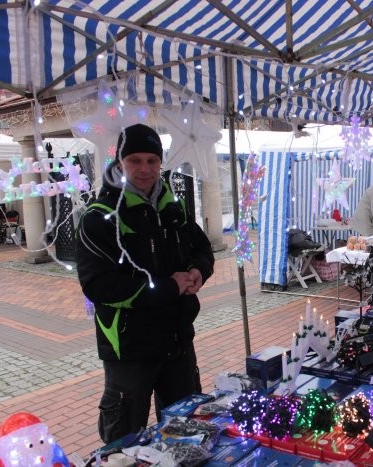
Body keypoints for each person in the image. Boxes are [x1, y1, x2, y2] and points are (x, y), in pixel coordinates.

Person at [76, 123, 215, 442]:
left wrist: (198, 270)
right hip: (130, 350)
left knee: (185, 434)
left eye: (152, 161)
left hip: (178, 341)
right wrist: (169, 287)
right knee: (125, 443)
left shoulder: (172, 207)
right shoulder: (100, 217)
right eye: (135, 160)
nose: (144, 169)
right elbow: (99, 286)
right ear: (120, 161)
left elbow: (201, 247)